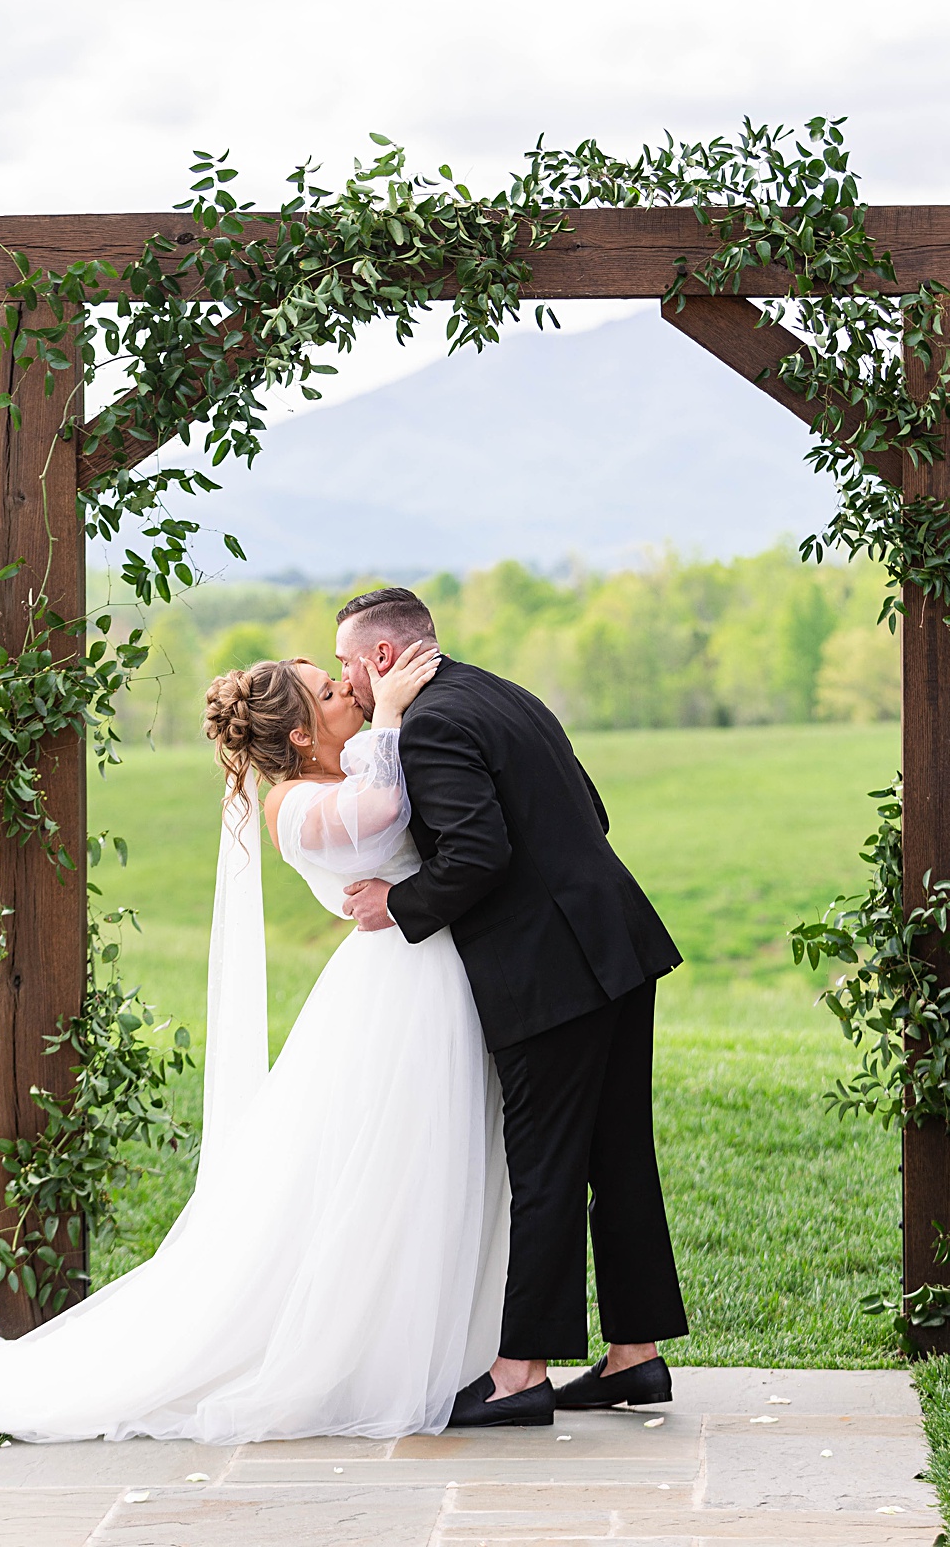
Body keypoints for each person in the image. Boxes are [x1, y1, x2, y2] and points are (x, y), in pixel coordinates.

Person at [0, 644, 513, 1442]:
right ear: (295, 734)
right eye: (331, 691)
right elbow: (383, 815)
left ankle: (437, 1346)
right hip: (393, 995)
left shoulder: (345, 765)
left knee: (415, 1165)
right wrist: (391, 714)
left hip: (420, 981)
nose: (349, 694)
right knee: (386, 1169)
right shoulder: (293, 804)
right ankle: (375, 1359)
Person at [335, 588, 688, 1427]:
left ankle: (518, 1372)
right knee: (619, 1155)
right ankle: (634, 1357)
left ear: (383, 658)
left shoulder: (429, 726)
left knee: (545, 1165)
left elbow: (479, 854)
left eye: (348, 663)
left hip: (551, 973)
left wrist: (400, 901)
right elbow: (591, 812)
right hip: (616, 944)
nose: (347, 681)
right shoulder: (501, 693)